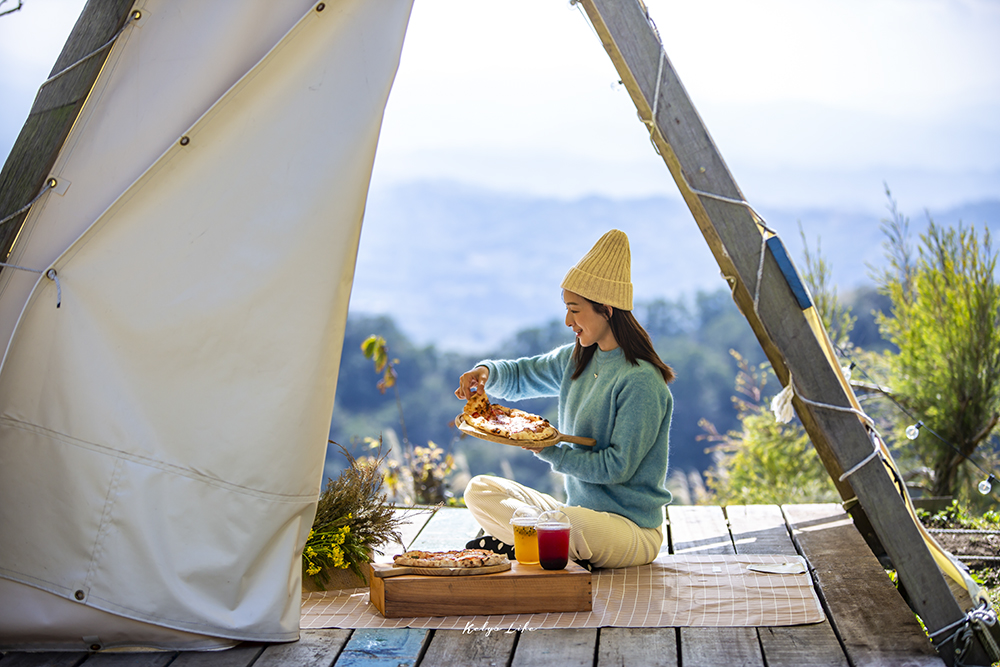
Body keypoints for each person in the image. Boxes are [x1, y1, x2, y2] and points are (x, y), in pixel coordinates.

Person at [455, 229, 674, 570]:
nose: (568, 321)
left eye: (575, 309)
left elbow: (616, 468)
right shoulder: (578, 358)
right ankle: (538, 543)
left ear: (607, 309)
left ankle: (517, 541)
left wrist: (550, 451)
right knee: (479, 489)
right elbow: (524, 374)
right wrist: (485, 373)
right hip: (575, 513)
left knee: (565, 522)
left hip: (630, 530)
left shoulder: (641, 381)